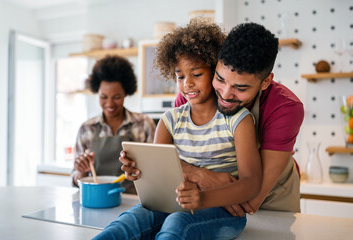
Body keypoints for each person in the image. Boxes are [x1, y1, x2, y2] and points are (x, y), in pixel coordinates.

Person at [93, 19, 262, 240]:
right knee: (126, 223)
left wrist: (202, 199)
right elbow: (156, 177)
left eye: (196, 74)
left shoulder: (238, 120)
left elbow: (252, 184)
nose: (187, 83)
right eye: (180, 76)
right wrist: (137, 172)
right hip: (172, 204)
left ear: (215, 71)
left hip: (222, 212)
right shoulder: (169, 120)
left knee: (177, 223)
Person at [175, 22, 304, 215]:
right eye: (220, 79)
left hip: (272, 201)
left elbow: (251, 201)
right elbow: (173, 158)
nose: (226, 94)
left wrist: (202, 183)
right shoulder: (194, 96)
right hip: (208, 201)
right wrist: (202, 175)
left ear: (266, 82)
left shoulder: (285, 108)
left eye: (240, 88)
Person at [72, 55, 156, 194]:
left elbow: (155, 172)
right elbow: (76, 181)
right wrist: (81, 171)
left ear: (126, 93)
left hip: (134, 203)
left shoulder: (144, 124)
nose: (110, 104)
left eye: (116, 97)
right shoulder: (86, 129)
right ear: (97, 93)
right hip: (98, 200)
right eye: (103, 97)